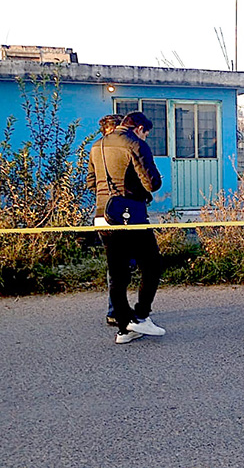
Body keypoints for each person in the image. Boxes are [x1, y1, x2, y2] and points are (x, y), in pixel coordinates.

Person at [87, 111, 165, 344]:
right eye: (146, 133)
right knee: (152, 265)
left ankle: (124, 327)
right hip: (131, 216)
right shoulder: (135, 144)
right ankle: (141, 316)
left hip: (103, 214)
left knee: (118, 273)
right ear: (139, 128)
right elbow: (152, 184)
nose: (146, 137)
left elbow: (91, 182)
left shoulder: (97, 145)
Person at [97, 114, 123, 326]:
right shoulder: (124, 147)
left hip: (100, 211)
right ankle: (120, 310)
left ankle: (114, 309)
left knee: (112, 262)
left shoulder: (95, 147)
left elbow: (90, 180)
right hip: (121, 211)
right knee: (124, 262)